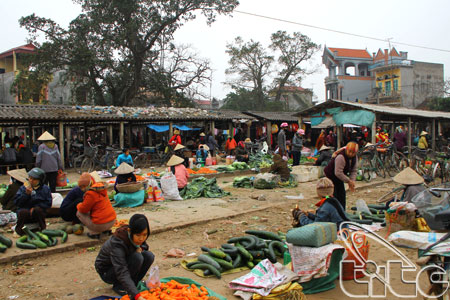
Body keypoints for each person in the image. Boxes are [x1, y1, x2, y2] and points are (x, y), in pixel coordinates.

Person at [95, 214, 154, 298]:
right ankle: (120, 287)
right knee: (138, 257)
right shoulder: (117, 243)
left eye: (145, 235)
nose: (141, 239)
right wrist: (137, 296)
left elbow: (144, 247)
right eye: (138, 235)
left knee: (149, 256)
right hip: (107, 271)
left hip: (124, 263)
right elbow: (121, 270)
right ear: (130, 231)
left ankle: (133, 284)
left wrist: (140, 248)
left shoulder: (138, 238)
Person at [13, 168, 52, 236]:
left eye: (34, 179)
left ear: (40, 180)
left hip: (37, 214)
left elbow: (48, 203)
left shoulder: (45, 189)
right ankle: (18, 231)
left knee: (38, 210)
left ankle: (43, 229)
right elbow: (17, 203)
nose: (31, 180)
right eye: (30, 178)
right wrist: (26, 195)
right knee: (23, 212)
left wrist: (35, 207)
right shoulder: (23, 188)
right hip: (25, 212)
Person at [324, 141, 358, 209]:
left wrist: (352, 180)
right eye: (350, 151)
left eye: (353, 153)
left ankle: (342, 212)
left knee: (342, 195)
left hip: (339, 177)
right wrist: (348, 181)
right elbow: (338, 172)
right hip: (330, 176)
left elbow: (354, 170)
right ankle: (333, 212)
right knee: (333, 195)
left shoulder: (355, 158)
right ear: (347, 150)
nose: (351, 154)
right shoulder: (341, 157)